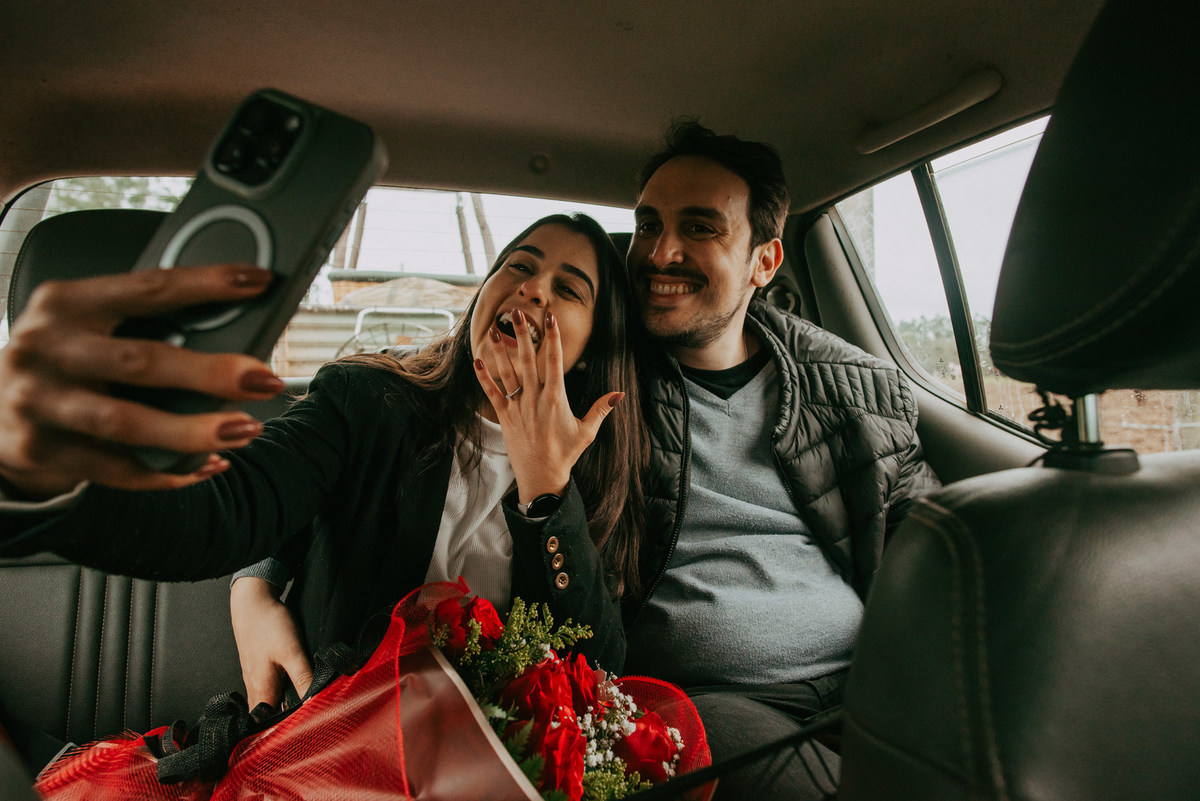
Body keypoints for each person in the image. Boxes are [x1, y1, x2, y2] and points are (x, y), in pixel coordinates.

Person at [0, 213, 647, 689]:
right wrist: (50, 472)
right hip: (328, 757)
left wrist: (546, 497)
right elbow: (227, 509)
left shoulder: (598, 473)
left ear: (591, 344)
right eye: (521, 265)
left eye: (569, 289)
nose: (533, 290)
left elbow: (599, 672)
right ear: (486, 291)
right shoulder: (365, 403)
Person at [618, 121, 941, 800]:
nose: (659, 251)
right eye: (648, 225)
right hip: (713, 702)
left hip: (870, 687)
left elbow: (926, 542)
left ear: (764, 263)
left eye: (699, 227)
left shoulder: (858, 390)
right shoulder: (598, 378)